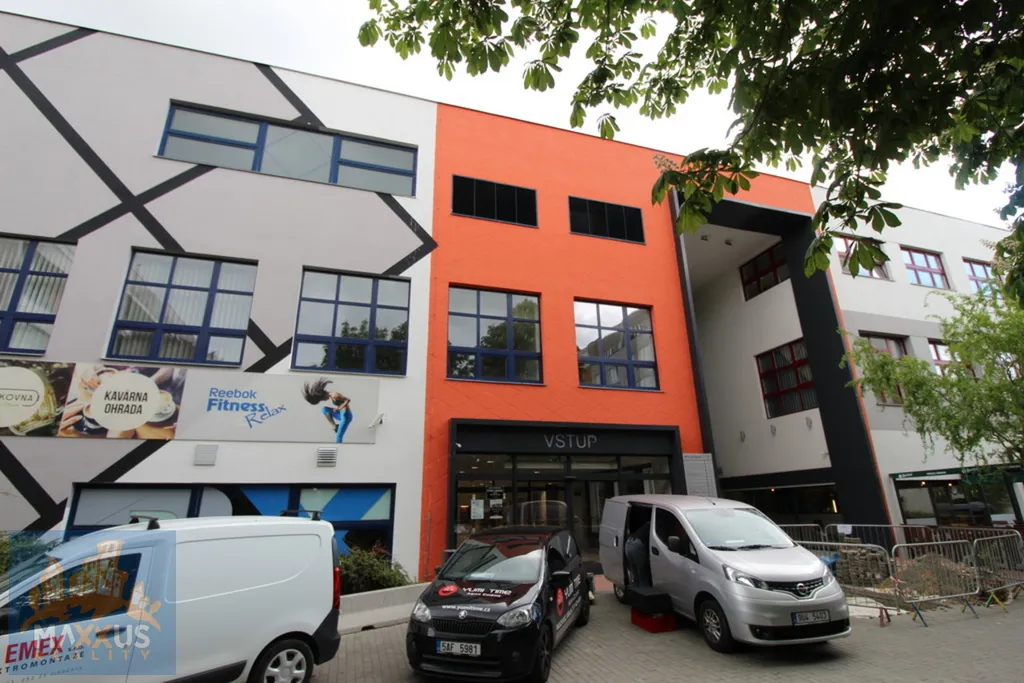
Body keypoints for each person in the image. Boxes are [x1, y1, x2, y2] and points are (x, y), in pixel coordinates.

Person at [301, 378, 354, 443]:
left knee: (338, 436)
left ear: (324, 395)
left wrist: (338, 408)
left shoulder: (335, 395)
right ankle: (335, 426)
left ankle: (339, 447)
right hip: (340, 414)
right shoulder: (332, 397)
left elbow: (348, 400)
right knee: (324, 409)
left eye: (323, 399)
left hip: (346, 415)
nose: (325, 400)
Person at [624, 518, 652, 588]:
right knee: (643, 575)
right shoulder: (653, 526)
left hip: (629, 542)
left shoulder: (647, 524)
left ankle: (635, 592)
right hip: (637, 545)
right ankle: (644, 592)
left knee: (636, 575)